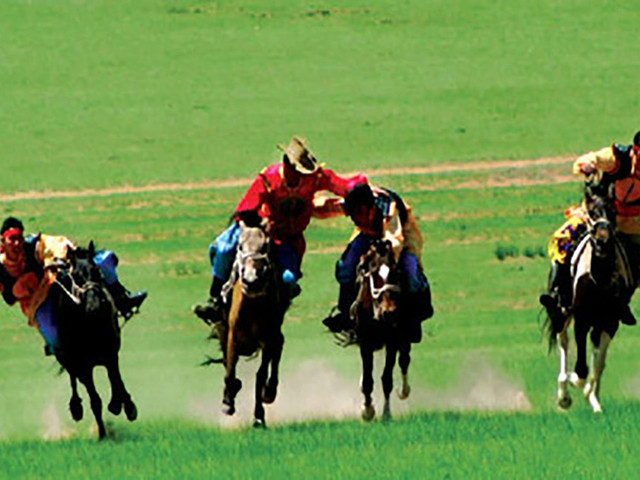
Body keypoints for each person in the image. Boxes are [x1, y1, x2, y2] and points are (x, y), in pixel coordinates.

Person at [193, 136, 367, 323]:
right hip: (259, 233)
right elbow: (245, 209)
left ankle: (274, 321)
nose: (302, 175)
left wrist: (358, 188)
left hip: (289, 240)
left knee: (288, 280)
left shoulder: (314, 178)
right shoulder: (269, 178)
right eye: (298, 170)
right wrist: (261, 221)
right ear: (287, 164)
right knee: (224, 249)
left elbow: (341, 185)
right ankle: (215, 300)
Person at [0, 217, 148, 355]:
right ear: (2, 241)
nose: (17, 243)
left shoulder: (34, 245)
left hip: (55, 280)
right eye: (12, 239)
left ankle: (121, 299)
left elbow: (56, 244)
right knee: (52, 336)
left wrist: (56, 260)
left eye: (19, 238)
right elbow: (9, 298)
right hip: (37, 302)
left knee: (105, 260)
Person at [540, 131, 640, 326]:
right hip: (597, 216)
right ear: (635, 151)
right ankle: (556, 296)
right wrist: (589, 165)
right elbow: (590, 158)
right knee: (562, 239)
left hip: (632, 226)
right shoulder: (617, 158)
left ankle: (622, 303)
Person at [321, 183, 433, 342]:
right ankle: (345, 313)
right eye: (352, 215)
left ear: (369, 208)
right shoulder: (353, 203)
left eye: (358, 214)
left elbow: (395, 238)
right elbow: (324, 209)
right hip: (368, 234)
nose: (354, 218)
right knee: (345, 266)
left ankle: (416, 315)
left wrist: (386, 248)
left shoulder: (389, 209)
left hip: (402, 236)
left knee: (410, 270)